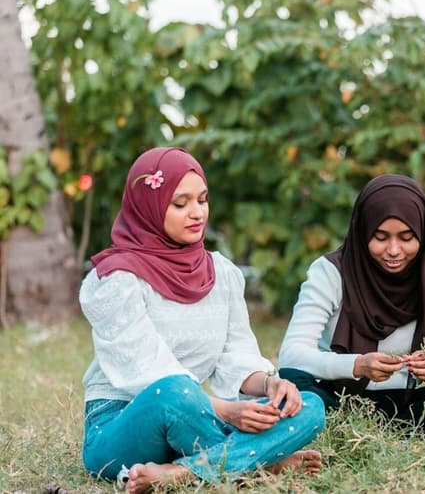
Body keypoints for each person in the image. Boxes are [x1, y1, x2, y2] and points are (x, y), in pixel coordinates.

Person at [79, 147, 326, 493]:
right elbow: (147, 374)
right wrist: (227, 413)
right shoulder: (117, 279)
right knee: (176, 392)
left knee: (309, 403)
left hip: (195, 418)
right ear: (148, 208)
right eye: (180, 204)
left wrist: (271, 386)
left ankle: (182, 473)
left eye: (202, 199)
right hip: (123, 423)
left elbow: (236, 357)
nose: (196, 213)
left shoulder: (221, 273)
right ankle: (259, 464)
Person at [277, 174, 425, 436]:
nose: (394, 250)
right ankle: (392, 432)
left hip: (406, 404)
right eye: (380, 237)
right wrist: (357, 365)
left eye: (406, 238)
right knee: (291, 379)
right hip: (336, 398)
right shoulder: (331, 272)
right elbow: (291, 355)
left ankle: (367, 433)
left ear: (423, 234)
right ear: (362, 232)